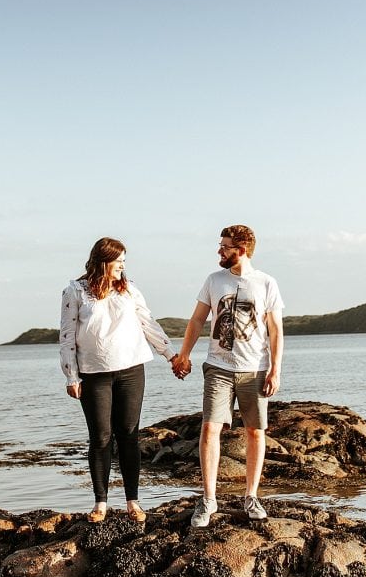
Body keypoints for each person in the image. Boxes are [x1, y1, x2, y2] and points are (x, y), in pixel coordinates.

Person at [172, 224, 284, 526]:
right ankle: (208, 500)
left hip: (255, 370)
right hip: (218, 368)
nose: (219, 251)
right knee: (210, 428)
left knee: (255, 432)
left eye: (225, 246)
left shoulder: (266, 283)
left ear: (242, 249)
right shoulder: (214, 280)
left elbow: (275, 331)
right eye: (220, 245)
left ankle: (251, 496)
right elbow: (197, 320)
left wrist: (276, 369)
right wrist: (183, 354)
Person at [60, 237, 178, 523]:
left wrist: (172, 355)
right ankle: (100, 503)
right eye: (119, 262)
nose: (122, 267)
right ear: (103, 261)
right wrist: (71, 375)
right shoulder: (75, 291)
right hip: (93, 373)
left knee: (128, 434)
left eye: (124, 262)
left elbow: (148, 324)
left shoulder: (129, 290)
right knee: (100, 437)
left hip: (131, 370)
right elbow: (66, 335)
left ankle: (132, 501)